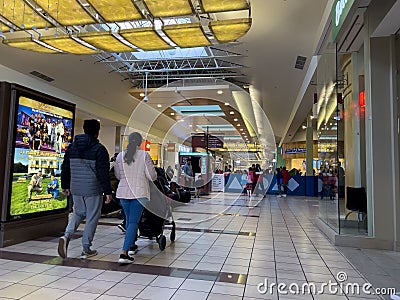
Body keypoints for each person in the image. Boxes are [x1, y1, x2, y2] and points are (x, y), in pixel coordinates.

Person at [58, 119, 112, 260]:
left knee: (78, 213)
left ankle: (66, 236)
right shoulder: (99, 149)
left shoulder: (72, 147)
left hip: (76, 187)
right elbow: (102, 172)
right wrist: (107, 191)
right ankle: (86, 248)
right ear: (97, 131)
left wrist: (65, 185)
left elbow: (65, 167)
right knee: (92, 217)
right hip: (92, 188)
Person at [114, 132, 157, 264]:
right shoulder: (144, 155)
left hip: (123, 192)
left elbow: (117, 175)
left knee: (129, 220)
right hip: (139, 193)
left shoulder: (120, 156)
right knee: (133, 222)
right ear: (140, 142)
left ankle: (131, 245)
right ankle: (124, 253)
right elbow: (152, 176)